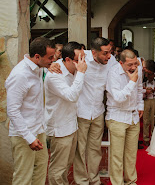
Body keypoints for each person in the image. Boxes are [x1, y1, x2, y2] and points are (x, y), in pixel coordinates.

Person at [5, 37, 55, 185]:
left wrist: (50, 66)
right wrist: (29, 137)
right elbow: (12, 110)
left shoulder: (38, 67)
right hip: (24, 134)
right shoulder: (20, 75)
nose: (53, 60)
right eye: (50, 58)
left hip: (38, 129)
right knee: (23, 178)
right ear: (37, 56)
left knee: (39, 173)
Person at [74, 37, 117, 185]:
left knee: (95, 149)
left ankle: (94, 179)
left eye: (110, 52)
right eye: (105, 53)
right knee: (80, 150)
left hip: (98, 111)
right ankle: (81, 181)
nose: (109, 56)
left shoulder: (112, 61)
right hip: (81, 111)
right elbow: (62, 62)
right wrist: (53, 66)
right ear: (93, 52)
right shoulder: (81, 56)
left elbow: (121, 71)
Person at [45, 42, 87, 185]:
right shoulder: (54, 75)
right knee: (58, 169)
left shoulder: (73, 67)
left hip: (72, 125)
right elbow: (71, 96)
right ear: (67, 60)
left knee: (67, 165)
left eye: (84, 58)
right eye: (79, 60)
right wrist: (81, 72)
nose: (83, 63)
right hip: (59, 127)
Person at [106, 49, 144, 185]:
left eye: (135, 63)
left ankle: (131, 181)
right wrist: (132, 82)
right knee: (117, 155)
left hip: (133, 116)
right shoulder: (113, 73)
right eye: (130, 65)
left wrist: (140, 106)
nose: (134, 67)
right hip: (117, 117)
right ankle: (117, 183)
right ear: (121, 63)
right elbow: (118, 98)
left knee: (131, 154)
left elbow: (139, 90)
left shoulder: (138, 69)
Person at [142, 65, 155, 146]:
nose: (148, 76)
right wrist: (145, 92)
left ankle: (153, 137)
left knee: (153, 120)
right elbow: (140, 95)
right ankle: (145, 137)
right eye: (147, 74)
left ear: (154, 75)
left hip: (154, 100)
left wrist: (153, 91)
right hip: (146, 101)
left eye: (150, 74)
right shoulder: (144, 84)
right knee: (145, 120)